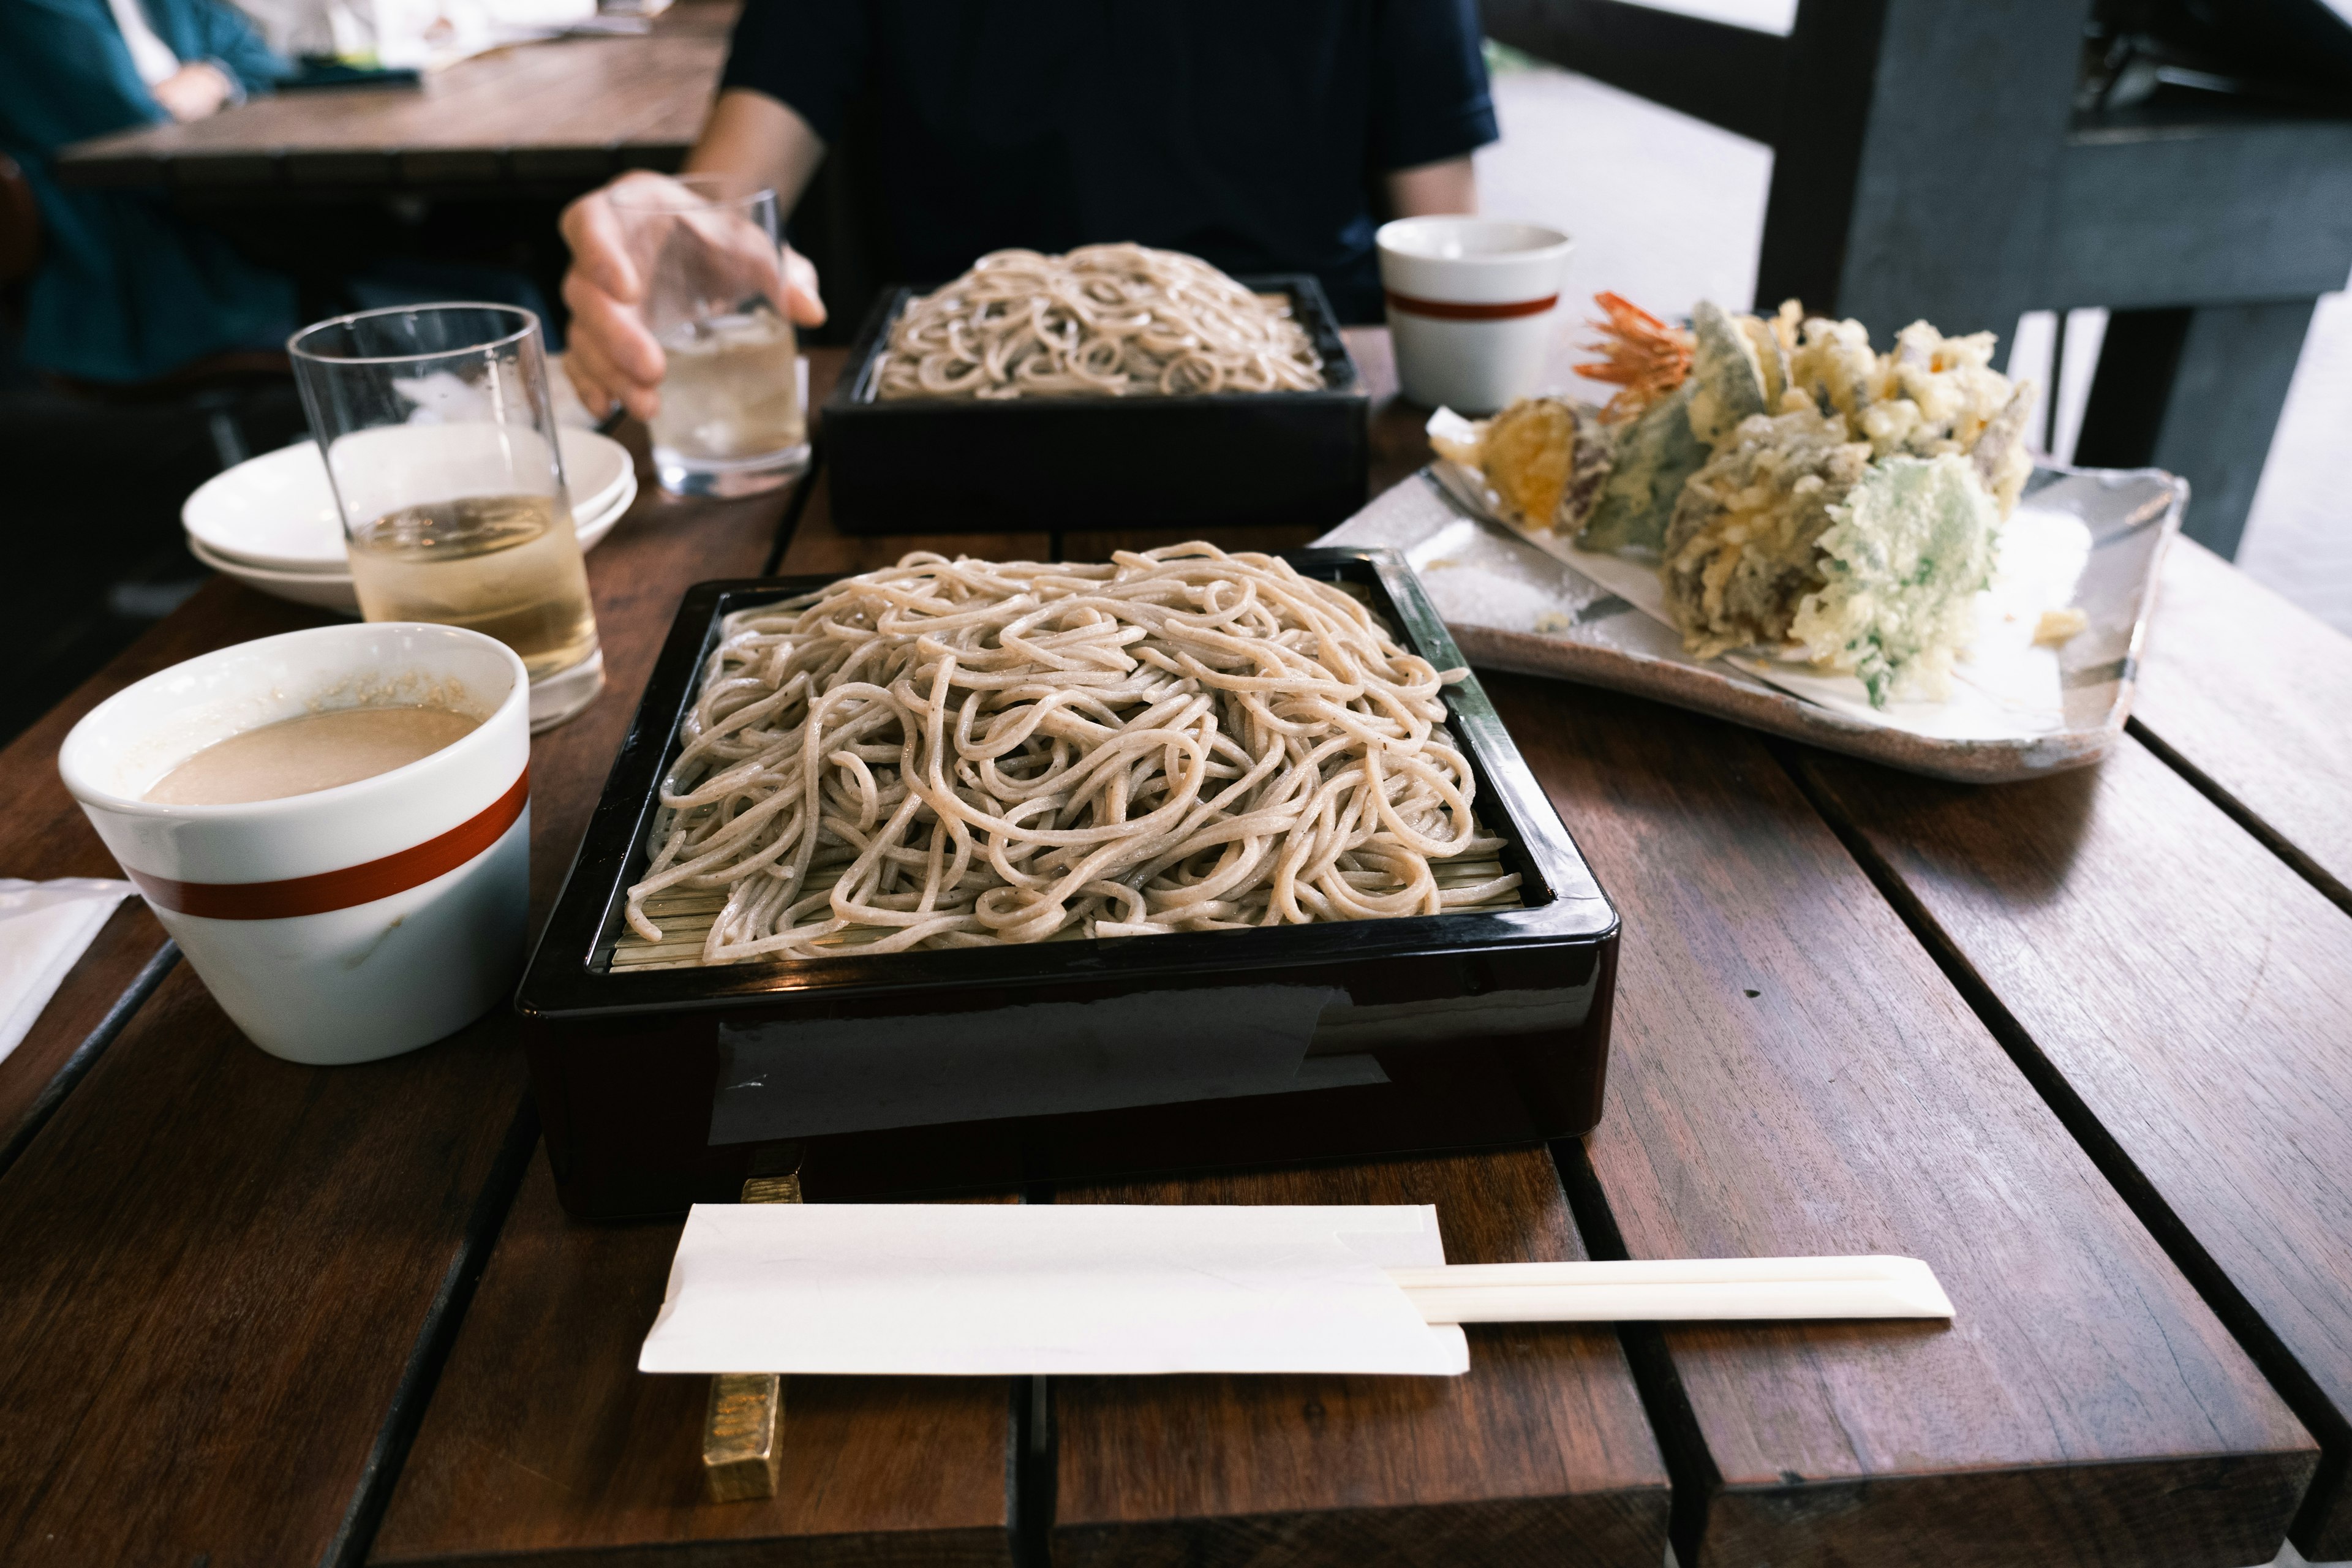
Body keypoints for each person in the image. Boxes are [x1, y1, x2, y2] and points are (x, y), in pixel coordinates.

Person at [559, 0, 1496, 423]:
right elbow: (721, 209)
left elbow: (1445, 245)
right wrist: (668, 248)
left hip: (1297, 403)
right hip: (955, 412)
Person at [0, 0, 300, 383]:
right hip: (136, 265)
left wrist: (216, 78)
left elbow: (267, 62)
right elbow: (131, 127)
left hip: (214, 223)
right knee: (365, 298)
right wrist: (213, 87)